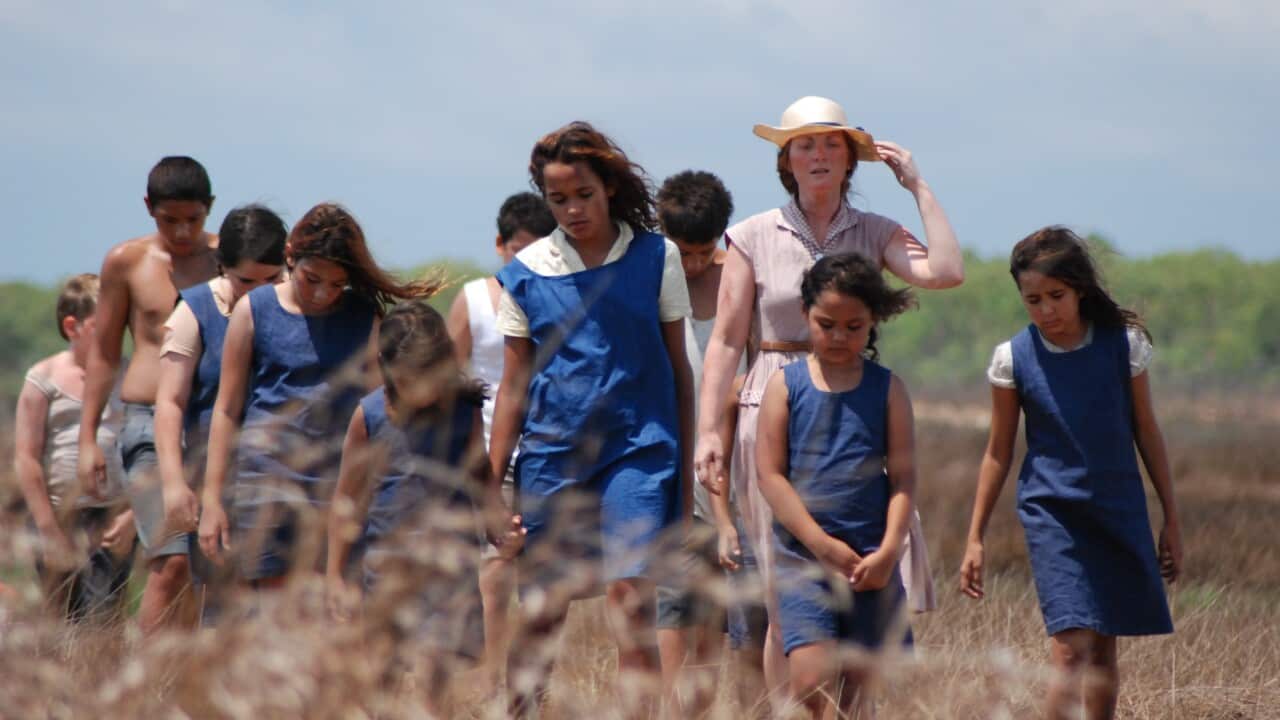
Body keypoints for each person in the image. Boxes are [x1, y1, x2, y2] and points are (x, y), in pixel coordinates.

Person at [693, 96, 962, 703]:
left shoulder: (875, 230)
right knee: (781, 585)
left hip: (854, 399)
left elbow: (945, 272)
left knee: (861, 563)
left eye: (831, 143)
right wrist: (709, 429)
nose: (818, 155)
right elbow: (727, 341)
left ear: (850, 159)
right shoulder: (751, 235)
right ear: (786, 160)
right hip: (770, 394)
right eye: (805, 145)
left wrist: (917, 186)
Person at [488, 121, 695, 718]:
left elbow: (679, 371)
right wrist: (490, 489)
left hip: (639, 452)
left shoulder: (657, 256)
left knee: (631, 601)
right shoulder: (526, 272)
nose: (573, 209)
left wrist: (684, 483)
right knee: (543, 611)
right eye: (558, 199)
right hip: (552, 460)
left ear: (609, 188)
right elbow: (512, 388)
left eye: (584, 194)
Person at [959, 227, 1180, 720]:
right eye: (1033, 300)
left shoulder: (1123, 347)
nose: (1046, 310)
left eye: (1056, 296)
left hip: (1117, 509)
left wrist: (1171, 518)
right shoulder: (1012, 359)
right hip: (1052, 514)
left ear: (1079, 288)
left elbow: (1147, 432)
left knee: (1102, 649)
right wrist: (975, 536)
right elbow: (997, 453)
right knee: (1069, 648)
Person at [199, 203, 439, 588]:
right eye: (311, 279)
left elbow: (380, 415)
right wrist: (212, 500)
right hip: (264, 487)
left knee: (330, 609)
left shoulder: (365, 318)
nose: (323, 293)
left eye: (336, 284)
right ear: (290, 256)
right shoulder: (253, 310)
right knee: (271, 613)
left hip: (337, 492)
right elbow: (226, 409)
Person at [326, 301, 524, 713]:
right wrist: (335, 577)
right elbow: (346, 502)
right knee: (380, 676)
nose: (420, 390)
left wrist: (501, 527)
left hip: (449, 568)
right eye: (407, 380)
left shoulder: (464, 411)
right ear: (386, 368)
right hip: (386, 571)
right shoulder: (369, 416)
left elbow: (481, 479)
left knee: (436, 676)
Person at [756, 254, 916, 718]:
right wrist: (821, 545)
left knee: (859, 692)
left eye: (854, 326)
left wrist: (889, 552)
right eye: (827, 325)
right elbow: (770, 475)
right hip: (802, 558)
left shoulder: (888, 389)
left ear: (873, 322)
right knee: (810, 683)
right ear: (805, 314)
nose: (840, 336)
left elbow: (904, 479)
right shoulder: (785, 386)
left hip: (869, 560)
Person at [78, 156, 220, 636]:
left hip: (206, 420)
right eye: (169, 220)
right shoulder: (127, 261)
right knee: (171, 559)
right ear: (148, 208)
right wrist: (88, 437)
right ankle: (145, 677)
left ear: (210, 208)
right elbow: (104, 352)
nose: (182, 232)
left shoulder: (229, 259)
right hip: (144, 420)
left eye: (193, 220)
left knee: (206, 562)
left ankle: (186, 672)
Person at [155, 205, 288, 618]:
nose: (259, 293)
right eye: (246, 281)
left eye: (272, 279)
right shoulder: (193, 312)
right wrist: (174, 483)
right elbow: (170, 401)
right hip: (216, 480)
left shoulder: (296, 309)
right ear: (221, 267)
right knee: (224, 610)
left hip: (281, 479)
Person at [445, 191, 556, 686]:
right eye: (517, 250)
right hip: (490, 452)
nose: (525, 261)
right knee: (494, 568)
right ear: (499, 245)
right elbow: (448, 380)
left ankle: (528, 687)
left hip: (548, 450)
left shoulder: (557, 299)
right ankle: (490, 680)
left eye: (537, 251)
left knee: (543, 578)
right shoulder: (471, 299)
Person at [652, 170, 739, 715]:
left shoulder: (740, 279)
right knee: (670, 599)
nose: (693, 264)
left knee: (715, 605)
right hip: (669, 459)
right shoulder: (650, 279)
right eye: (684, 253)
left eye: (704, 252)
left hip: (731, 465)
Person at [15, 274, 136, 622]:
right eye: (102, 325)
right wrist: (48, 529)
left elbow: (146, 448)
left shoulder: (130, 376)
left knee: (105, 615)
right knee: (63, 616)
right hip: (58, 513)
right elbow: (26, 458)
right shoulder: (43, 378)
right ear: (73, 326)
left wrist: (131, 515)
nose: (113, 333)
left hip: (112, 516)